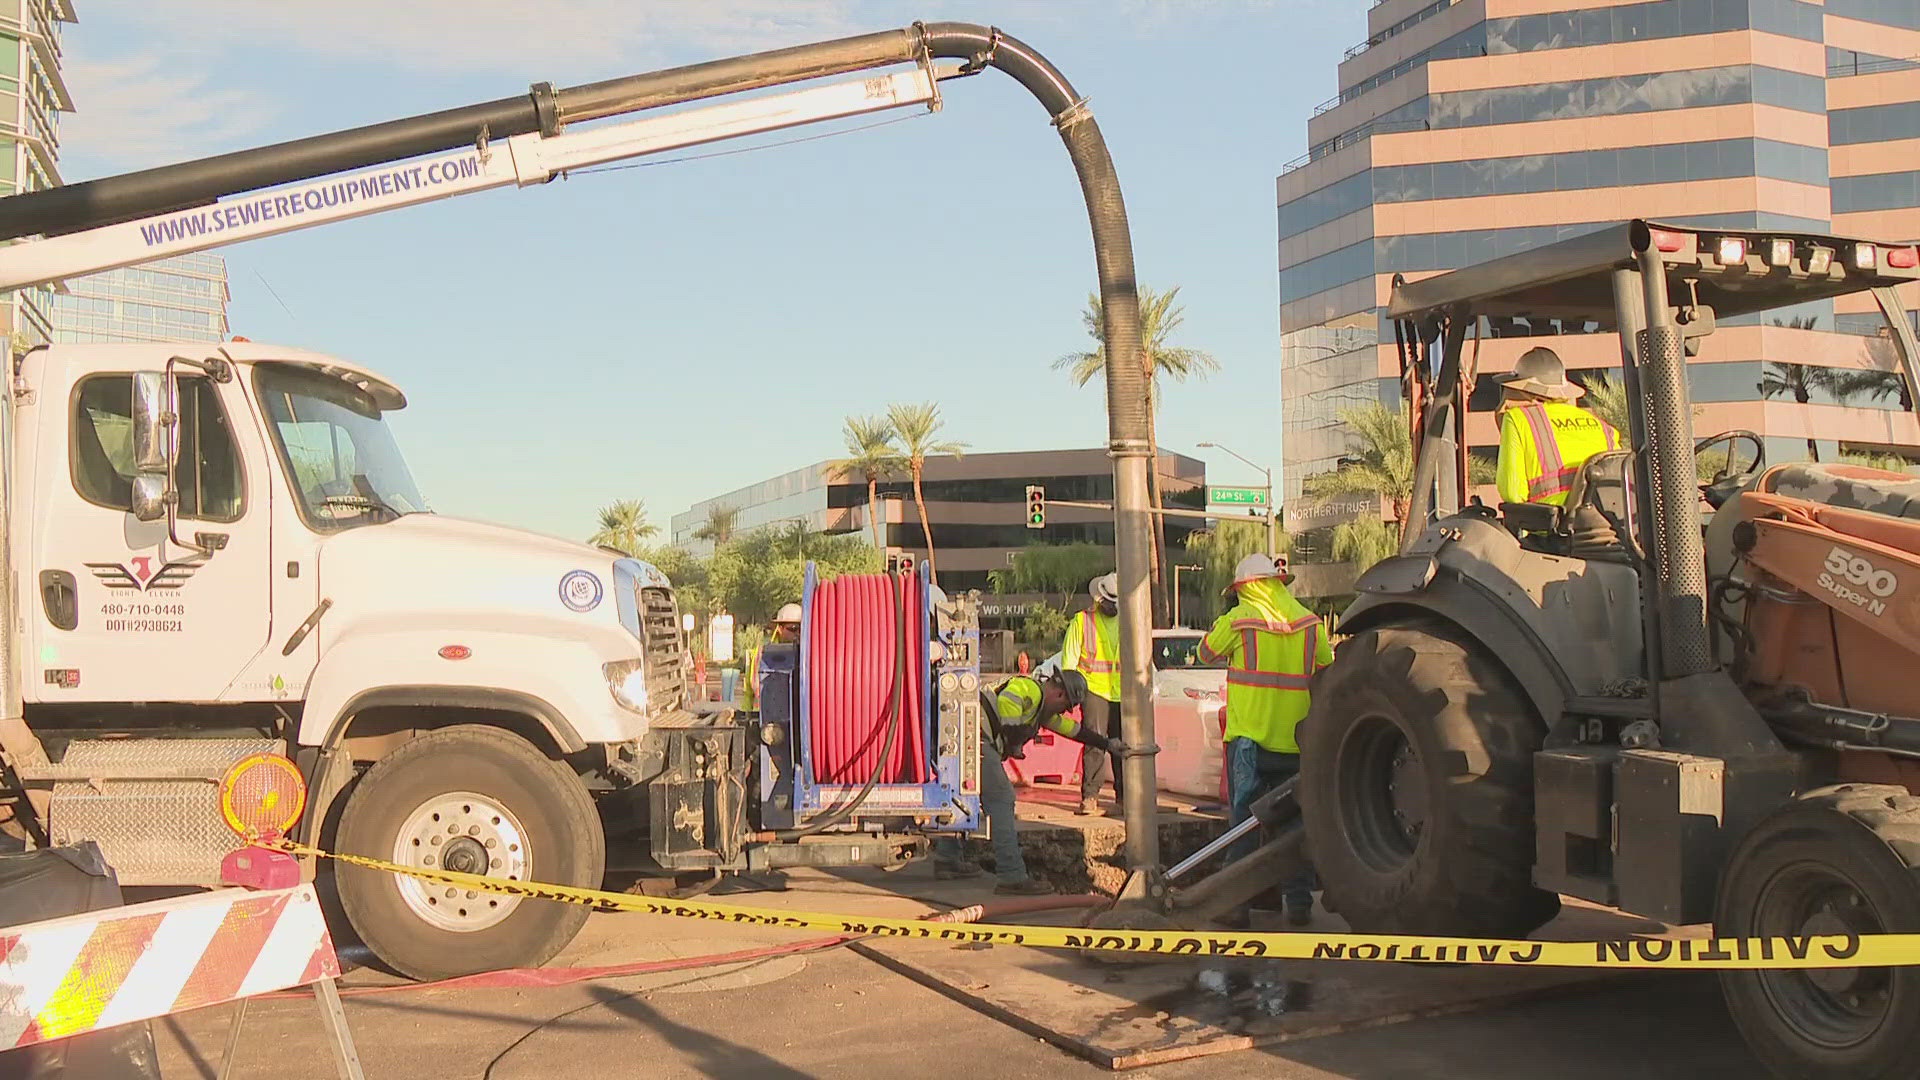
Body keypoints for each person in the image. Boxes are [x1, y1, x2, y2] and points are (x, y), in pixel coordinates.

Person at [1198, 553, 1331, 928]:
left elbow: (1204, 652)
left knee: (1244, 821)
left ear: (1245, 587)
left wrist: (1224, 620)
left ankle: (1234, 904)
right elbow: (1326, 664)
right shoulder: (1310, 622)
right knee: (1293, 824)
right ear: (1276, 582)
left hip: (1250, 738)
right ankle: (1299, 903)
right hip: (1295, 740)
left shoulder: (1239, 621)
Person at [934, 669, 1121, 895]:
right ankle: (1011, 876)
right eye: (1065, 707)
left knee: (959, 795)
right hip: (973, 736)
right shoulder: (1029, 689)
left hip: (965, 734)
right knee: (1002, 798)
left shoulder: (1040, 708)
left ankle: (947, 858)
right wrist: (1015, 741)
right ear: (1060, 695)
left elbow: (1074, 731)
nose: (1062, 713)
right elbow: (1006, 707)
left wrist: (1107, 744)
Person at [1493, 346, 1619, 508]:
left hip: (1551, 526)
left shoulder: (1518, 419)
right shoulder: (1604, 428)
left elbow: (1512, 493)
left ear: (1527, 393)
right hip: (1606, 523)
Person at [1063, 572, 1123, 815]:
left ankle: (1125, 798)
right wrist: (1070, 692)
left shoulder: (1129, 621)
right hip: (1094, 689)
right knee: (1095, 743)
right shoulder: (1082, 621)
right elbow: (1069, 660)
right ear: (1100, 599)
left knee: (1123, 746)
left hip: (1122, 692)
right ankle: (1090, 796)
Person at [739, 602, 802, 712]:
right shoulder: (762, 654)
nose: (798, 633)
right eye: (793, 628)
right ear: (780, 628)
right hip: (767, 716)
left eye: (801, 628)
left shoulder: (810, 654)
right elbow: (750, 689)